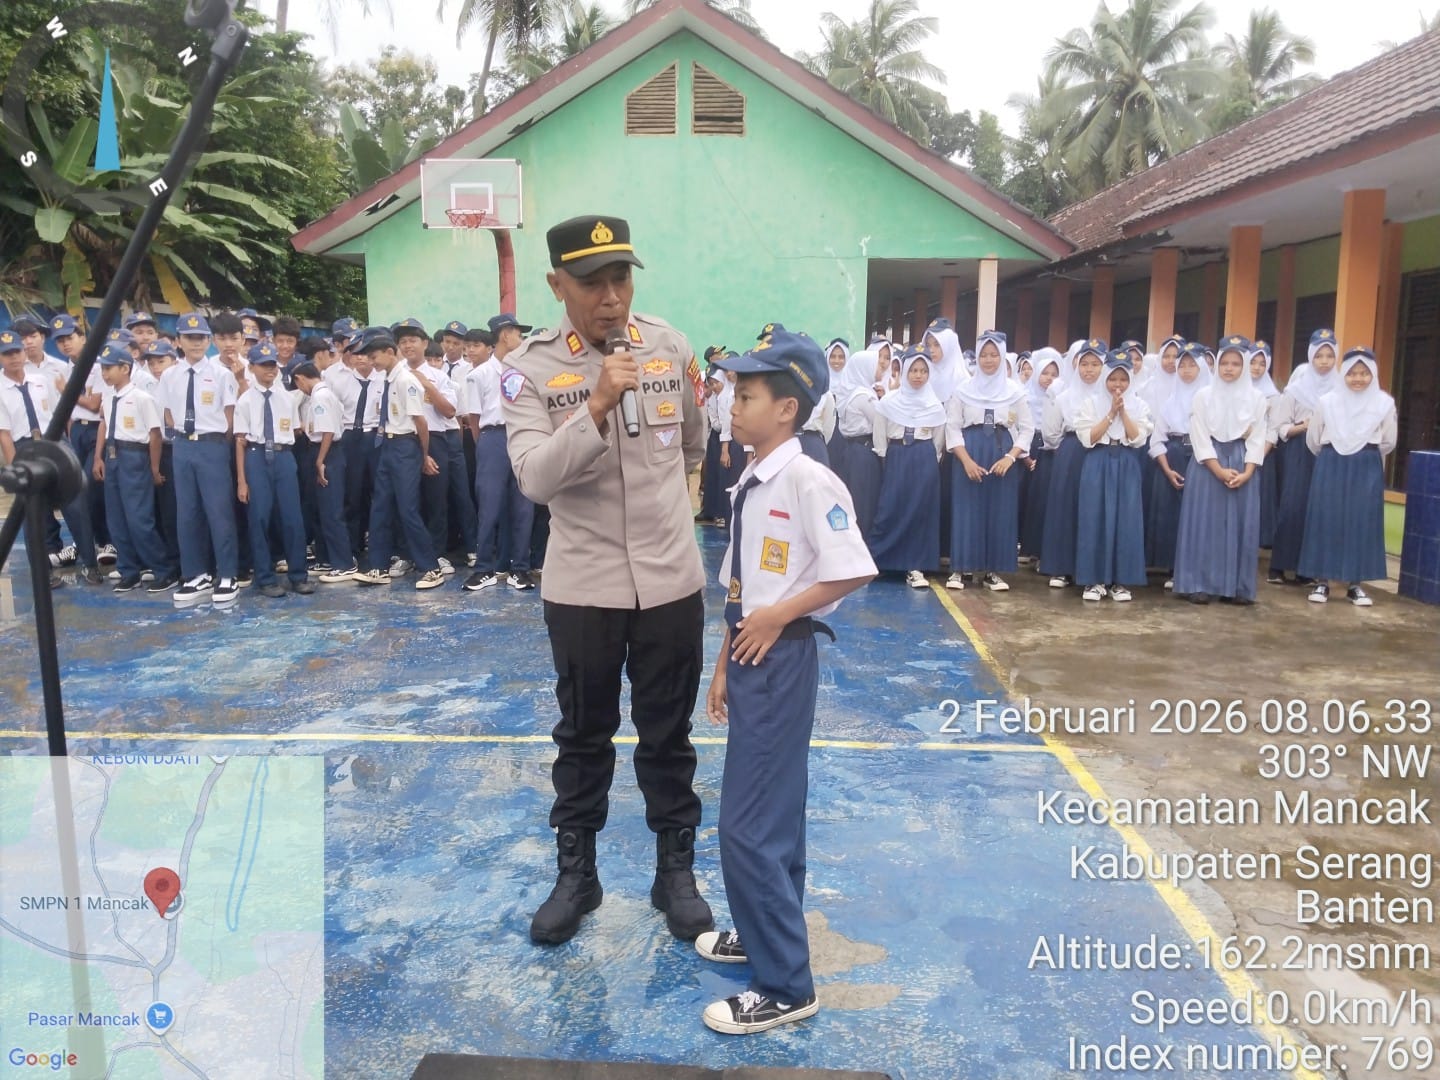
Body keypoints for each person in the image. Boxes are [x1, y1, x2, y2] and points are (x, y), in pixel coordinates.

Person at [502, 214, 712, 946]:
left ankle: (674, 872)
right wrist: (594, 407)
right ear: (557, 285)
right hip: (583, 586)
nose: (611, 297)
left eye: (621, 278)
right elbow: (533, 478)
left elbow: (693, 443)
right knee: (583, 736)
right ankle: (577, 876)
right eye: (592, 283)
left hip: (670, 581)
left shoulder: (669, 347)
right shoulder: (528, 368)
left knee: (669, 734)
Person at [697, 330, 876, 1035]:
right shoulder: (752, 479)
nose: (732, 406)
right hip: (751, 653)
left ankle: (785, 985)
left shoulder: (807, 479)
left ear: (787, 408)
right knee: (776, 818)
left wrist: (778, 615)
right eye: (732, 394)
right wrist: (722, 664)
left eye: (746, 396)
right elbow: (740, 587)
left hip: (780, 658)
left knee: (748, 827)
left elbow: (852, 568)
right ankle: (762, 931)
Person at [1296, 346, 1397, 606]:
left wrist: (1361, 452)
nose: (1358, 378)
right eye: (1352, 373)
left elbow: (1388, 440)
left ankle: (1355, 585)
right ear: (1344, 374)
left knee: (1361, 521)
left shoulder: (1384, 403)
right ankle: (1322, 582)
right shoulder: (1327, 401)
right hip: (1331, 463)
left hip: (1366, 464)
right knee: (1326, 519)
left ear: (1373, 374)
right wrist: (1336, 453)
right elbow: (1313, 439)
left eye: (1364, 373)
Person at [0, 329, 102, 584]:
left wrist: (68, 445)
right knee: (34, 511)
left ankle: (90, 564)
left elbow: (62, 412)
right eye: (7, 354)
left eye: (16, 352)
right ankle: (43, 573)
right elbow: (4, 435)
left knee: (75, 503)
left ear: (24, 352)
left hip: (55, 442)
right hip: (25, 446)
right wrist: (15, 468)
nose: (14, 358)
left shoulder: (40, 381)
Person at [1171, 336, 1267, 604]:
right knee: (1204, 523)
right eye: (1224, 363)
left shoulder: (1257, 398)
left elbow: (1259, 437)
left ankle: (1237, 587)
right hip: (1207, 465)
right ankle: (1198, 583)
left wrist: (1247, 472)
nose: (1229, 368)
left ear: (1244, 366)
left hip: (1241, 462)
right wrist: (1218, 470)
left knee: (1239, 524)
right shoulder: (1203, 396)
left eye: (1236, 363)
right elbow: (1199, 436)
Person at [351, 328, 446, 591]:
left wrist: (423, 456)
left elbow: (421, 422)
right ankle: (378, 567)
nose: (370, 361)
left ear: (390, 352)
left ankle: (431, 568)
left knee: (408, 508)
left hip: (405, 446)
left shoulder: (406, 381)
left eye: (374, 356)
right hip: (388, 444)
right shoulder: (388, 379)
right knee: (380, 507)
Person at [158, 313, 241, 609]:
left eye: (201, 338)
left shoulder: (221, 374)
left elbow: (230, 416)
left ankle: (227, 574)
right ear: (178, 341)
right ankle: (196, 574)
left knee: (219, 512)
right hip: (182, 445)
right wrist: (185, 434)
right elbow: (168, 414)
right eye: (190, 338)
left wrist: (214, 441)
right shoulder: (169, 375)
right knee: (187, 513)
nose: (196, 343)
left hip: (212, 445)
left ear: (208, 341)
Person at [944, 329, 1032, 591]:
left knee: (1000, 511)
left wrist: (1010, 457)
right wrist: (966, 461)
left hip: (1001, 452)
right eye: (984, 354)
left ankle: (993, 571)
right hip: (968, 451)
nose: (989, 360)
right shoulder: (962, 390)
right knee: (967, 510)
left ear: (1002, 356)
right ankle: (960, 568)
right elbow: (952, 428)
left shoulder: (1015, 391)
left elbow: (1027, 428)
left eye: (994, 354)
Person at [91, 342, 177, 592]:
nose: (105, 374)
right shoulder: (109, 397)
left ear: (125, 368)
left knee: (140, 519)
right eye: (103, 369)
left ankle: (163, 569)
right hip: (113, 456)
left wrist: (154, 468)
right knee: (116, 519)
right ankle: (129, 569)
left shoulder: (142, 398)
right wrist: (98, 457)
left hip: (135, 456)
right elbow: (104, 426)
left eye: (109, 369)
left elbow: (154, 435)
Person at [233, 343, 313, 598]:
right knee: (259, 518)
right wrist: (242, 480)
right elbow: (240, 442)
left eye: (273, 365)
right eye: (264, 365)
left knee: (292, 518)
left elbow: (295, 430)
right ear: (252, 367)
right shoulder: (245, 400)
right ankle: (265, 578)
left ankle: (298, 575)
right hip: (256, 456)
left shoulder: (286, 398)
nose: (270, 370)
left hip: (283, 456)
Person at [1073, 347, 1153, 602]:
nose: (1117, 385)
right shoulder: (1090, 403)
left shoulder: (1140, 405)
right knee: (1093, 518)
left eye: (1123, 379)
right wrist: (1110, 414)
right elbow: (1088, 438)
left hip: (1127, 462)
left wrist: (1123, 412)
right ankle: (1093, 580)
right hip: (1097, 461)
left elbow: (1138, 438)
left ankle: (1121, 581)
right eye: (1112, 379)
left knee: (1126, 520)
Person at [462, 318, 535, 592]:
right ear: (505, 335)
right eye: (518, 334)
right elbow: (474, 418)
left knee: (524, 506)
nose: (520, 340)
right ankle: (484, 568)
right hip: (493, 437)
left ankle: (520, 568)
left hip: (521, 436)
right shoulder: (479, 374)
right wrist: (486, 447)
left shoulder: (524, 370)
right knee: (489, 505)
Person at [867, 346, 946, 588]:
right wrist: (886, 456)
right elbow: (879, 434)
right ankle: (880, 561)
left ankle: (915, 566)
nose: (918, 375)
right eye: (913, 370)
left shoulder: (935, 406)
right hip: (896, 455)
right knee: (890, 507)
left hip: (923, 457)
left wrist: (928, 458)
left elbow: (938, 441)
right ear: (904, 371)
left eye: (923, 371)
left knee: (920, 511)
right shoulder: (889, 402)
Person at [1268, 328, 1339, 585]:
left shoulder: (1341, 389)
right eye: (1319, 355)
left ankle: (1306, 570)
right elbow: (1280, 427)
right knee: (1293, 506)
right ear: (1310, 356)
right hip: (1299, 451)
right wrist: (1304, 426)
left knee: (1317, 509)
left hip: (1328, 452)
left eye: (1329, 356)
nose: (1324, 361)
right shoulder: (1295, 390)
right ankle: (1278, 566)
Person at [1145, 341, 1211, 588]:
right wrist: (1166, 468)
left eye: (1192, 365)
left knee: (1200, 515)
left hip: (1202, 458)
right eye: (1182, 365)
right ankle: (1174, 568)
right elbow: (1156, 440)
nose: (1186, 370)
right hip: (1172, 458)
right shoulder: (1170, 401)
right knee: (1173, 515)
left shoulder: (1212, 400)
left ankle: (1198, 569)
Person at [1040, 340, 1104, 590]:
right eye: (1084, 363)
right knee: (1065, 508)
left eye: (1095, 364)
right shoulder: (1064, 397)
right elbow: (1051, 433)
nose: (1089, 369)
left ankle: (1091, 569)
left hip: (1098, 451)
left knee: (1094, 510)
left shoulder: (1109, 398)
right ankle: (1062, 568)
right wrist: (1068, 450)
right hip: (1071, 451)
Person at [293, 361, 355, 580]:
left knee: (331, 511)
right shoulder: (323, 395)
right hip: (320, 450)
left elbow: (327, 431)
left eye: (297, 384)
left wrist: (320, 461)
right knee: (319, 509)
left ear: (300, 378)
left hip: (327, 452)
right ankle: (325, 558)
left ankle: (344, 563)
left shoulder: (320, 396)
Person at [1018, 347, 1063, 565]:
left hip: (1051, 452)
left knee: (1045, 500)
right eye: (1045, 373)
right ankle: (1026, 545)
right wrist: (1026, 457)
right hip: (1026, 448)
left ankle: (1044, 549)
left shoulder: (1061, 397)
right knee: (1027, 499)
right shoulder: (1025, 396)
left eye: (1054, 374)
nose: (1049, 378)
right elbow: (1019, 427)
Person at [832, 347, 884, 536]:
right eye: (877, 364)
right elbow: (880, 422)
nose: (881, 368)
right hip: (864, 453)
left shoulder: (851, 392)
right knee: (864, 502)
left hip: (851, 451)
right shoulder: (863, 396)